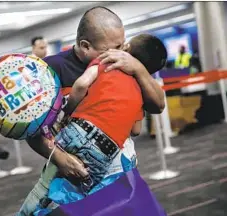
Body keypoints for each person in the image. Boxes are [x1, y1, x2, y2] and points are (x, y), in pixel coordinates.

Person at [6, 6, 165, 216]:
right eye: (113, 48)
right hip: (69, 172)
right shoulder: (51, 70)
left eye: (123, 45)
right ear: (85, 46)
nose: (122, 52)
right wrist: (61, 159)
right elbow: (31, 129)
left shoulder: (126, 64)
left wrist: (138, 69)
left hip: (117, 172)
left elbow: (158, 104)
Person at [54, 34, 167, 192]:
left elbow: (81, 84)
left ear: (126, 47)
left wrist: (68, 112)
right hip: (110, 150)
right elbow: (136, 130)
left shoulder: (104, 61)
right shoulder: (138, 87)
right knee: (90, 192)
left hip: (74, 131)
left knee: (55, 185)